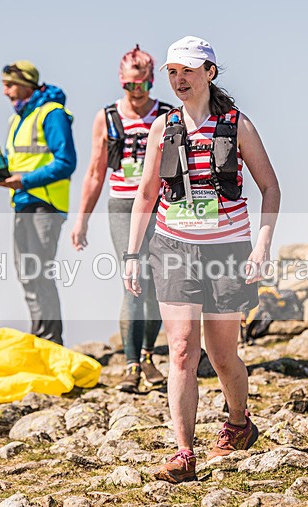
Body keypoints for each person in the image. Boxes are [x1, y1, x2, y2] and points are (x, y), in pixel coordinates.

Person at [124, 36, 281, 483]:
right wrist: (132, 255)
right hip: (173, 248)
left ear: (209, 73)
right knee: (180, 351)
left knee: (222, 353)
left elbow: (271, 188)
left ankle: (238, 421)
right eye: (172, 72)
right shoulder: (163, 128)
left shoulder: (237, 125)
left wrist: (262, 246)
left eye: (188, 71)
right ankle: (184, 452)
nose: (179, 80)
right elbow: (146, 195)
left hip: (228, 250)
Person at [71, 45, 172, 393]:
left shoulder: (167, 115)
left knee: (159, 283)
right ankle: (130, 365)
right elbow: (95, 173)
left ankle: (147, 356)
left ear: (151, 81)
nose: (137, 92)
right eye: (130, 85)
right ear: (121, 81)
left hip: (162, 205)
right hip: (122, 205)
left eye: (143, 84)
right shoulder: (107, 117)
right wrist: (82, 219)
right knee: (133, 276)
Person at [0, 61, 76, 345]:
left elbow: (66, 162)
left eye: (9, 85)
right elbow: (16, 161)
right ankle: (40, 335)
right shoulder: (16, 120)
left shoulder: (52, 113)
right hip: (21, 202)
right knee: (26, 274)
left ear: (26, 83)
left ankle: (51, 341)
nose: (5, 92)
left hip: (45, 203)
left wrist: (26, 180)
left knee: (40, 273)